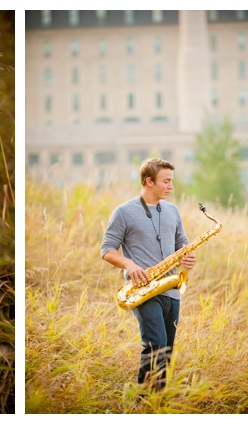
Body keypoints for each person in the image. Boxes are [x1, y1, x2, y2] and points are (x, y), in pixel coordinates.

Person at [100, 158, 195, 391]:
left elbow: (181, 242)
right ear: (149, 181)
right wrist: (128, 264)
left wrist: (187, 255)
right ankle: (142, 404)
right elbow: (107, 250)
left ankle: (158, 403)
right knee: (156, 346)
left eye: (171, 181)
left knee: (167, 351)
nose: (171, 186)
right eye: (166, 181)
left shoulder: (172, 210)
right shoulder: (123, 212)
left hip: (171, 290)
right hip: (142, 290)